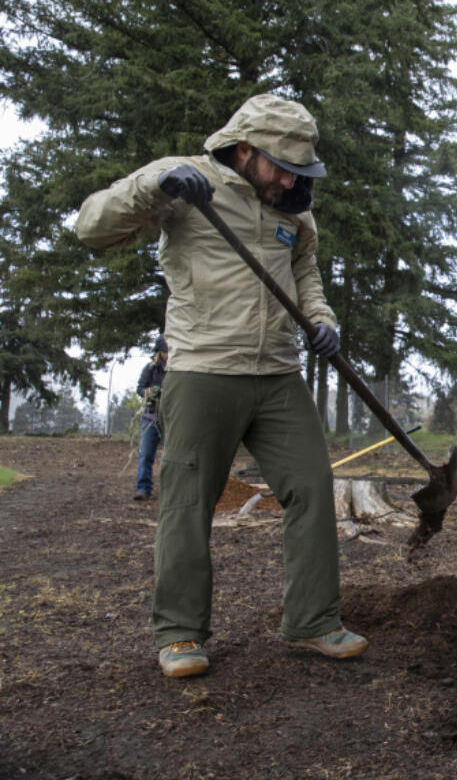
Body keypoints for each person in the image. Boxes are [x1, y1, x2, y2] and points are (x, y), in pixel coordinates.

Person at [76, 93, 367, 678]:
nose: (289, 180)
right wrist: (156, 184)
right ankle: (181, 635)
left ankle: (312, 620)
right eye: (281, 166)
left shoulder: (293, 208)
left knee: (311, 485)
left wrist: (324, 320)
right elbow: (91, 226)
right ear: (243, 150)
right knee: (188, 501)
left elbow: (304, 272)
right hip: (203, 368)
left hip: (279, 373)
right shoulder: (187, 186)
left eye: (299, 170)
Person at [133, 335, 169, 501]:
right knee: (146, 454)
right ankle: (143, 488)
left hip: (169, 418)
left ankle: (170, 489)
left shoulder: (176, 370)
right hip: (150, 416)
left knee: (171, 455)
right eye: (164, 352)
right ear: (159, 352)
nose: (167, 355)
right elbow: (140, 388)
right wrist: (149, 392)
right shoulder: (150, 369)